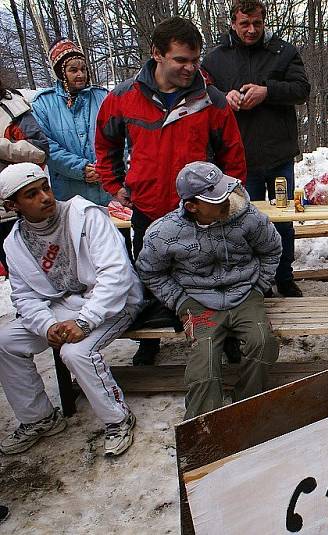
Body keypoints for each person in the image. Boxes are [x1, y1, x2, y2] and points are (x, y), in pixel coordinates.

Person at [95, 17, 247, 365]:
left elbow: (233, 154)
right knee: (151, 274)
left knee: (212, 272)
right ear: (157, 55)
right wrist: (115, 184)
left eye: (195, 60)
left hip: (201, 209)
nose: (191, 68)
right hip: (148, 207)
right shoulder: (123, 98)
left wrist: (228, 197)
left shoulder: (211, 99)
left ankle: (226, 338)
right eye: (181, 60)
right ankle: (150, 341)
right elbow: (105, 143)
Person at [0, 162, 141, 455]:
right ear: (12, 205)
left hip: (112, 303)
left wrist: (85, 321)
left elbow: (116, 275)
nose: (45, 197)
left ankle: (118, 419)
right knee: (5, 342)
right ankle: (39, 418)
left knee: (76, 352)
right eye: (31, 194)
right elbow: (24, 296)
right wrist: (47, 326)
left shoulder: (84, 216)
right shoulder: (15, 242)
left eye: (45, 188)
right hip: (61, 307)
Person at [136, 161, 281, 419]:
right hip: (196, 299)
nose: (227, 199)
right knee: (204, 361)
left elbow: (271, 249)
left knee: (264, 343)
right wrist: (180, 301)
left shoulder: (247, 216)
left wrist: (259, 288)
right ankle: (206, 425)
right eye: (216, 198)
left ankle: (246, 406)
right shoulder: (164, 232)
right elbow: (149, 270)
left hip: (245, 293)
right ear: (192, 206)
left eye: (225, 190)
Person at [202, 0, 310, 298]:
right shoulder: (215, 58)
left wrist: (268, 91)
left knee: (283, 220)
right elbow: (201, 93)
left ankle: (284, 276)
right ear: (233, 23)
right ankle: (253, 282)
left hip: (278, 154)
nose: (251, 30)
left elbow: (302, 89)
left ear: (264, 22)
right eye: (244, 24)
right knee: (243, 222)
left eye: (257, 24)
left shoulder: (283, 51)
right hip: (238, 158)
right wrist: (224, 97)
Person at [31, 39, 110, 205]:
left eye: (83, 69)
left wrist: (106, 166)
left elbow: (119, 136)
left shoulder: (103, 97)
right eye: (73, 70)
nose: (80, 74)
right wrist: (80, 169)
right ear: (62, 72)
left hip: (106, 189)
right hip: (69, 192)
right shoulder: (43, 104)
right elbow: (45, 145)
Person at [1, 76, 49, 273]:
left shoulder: (12, 108)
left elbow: (40, 151)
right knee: (16, 276)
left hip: (18, 210)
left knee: (42, 268)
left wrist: (2, 146)